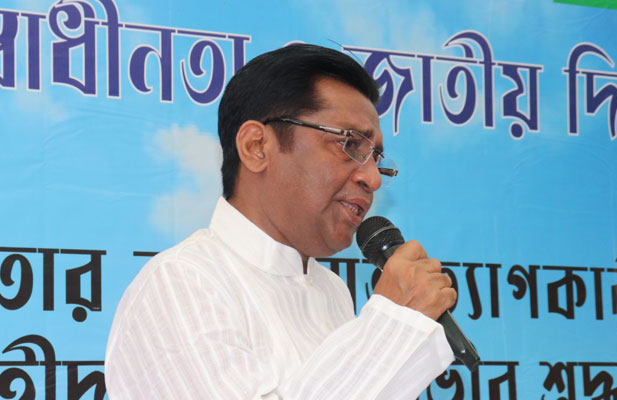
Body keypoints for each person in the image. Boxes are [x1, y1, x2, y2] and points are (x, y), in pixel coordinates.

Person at [105, 43, 456, 399]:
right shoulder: (182, 283)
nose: (373, 179)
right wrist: (392, 325)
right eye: (350, 144)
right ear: (256, 147)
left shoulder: (332, 291)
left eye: (375, 157)